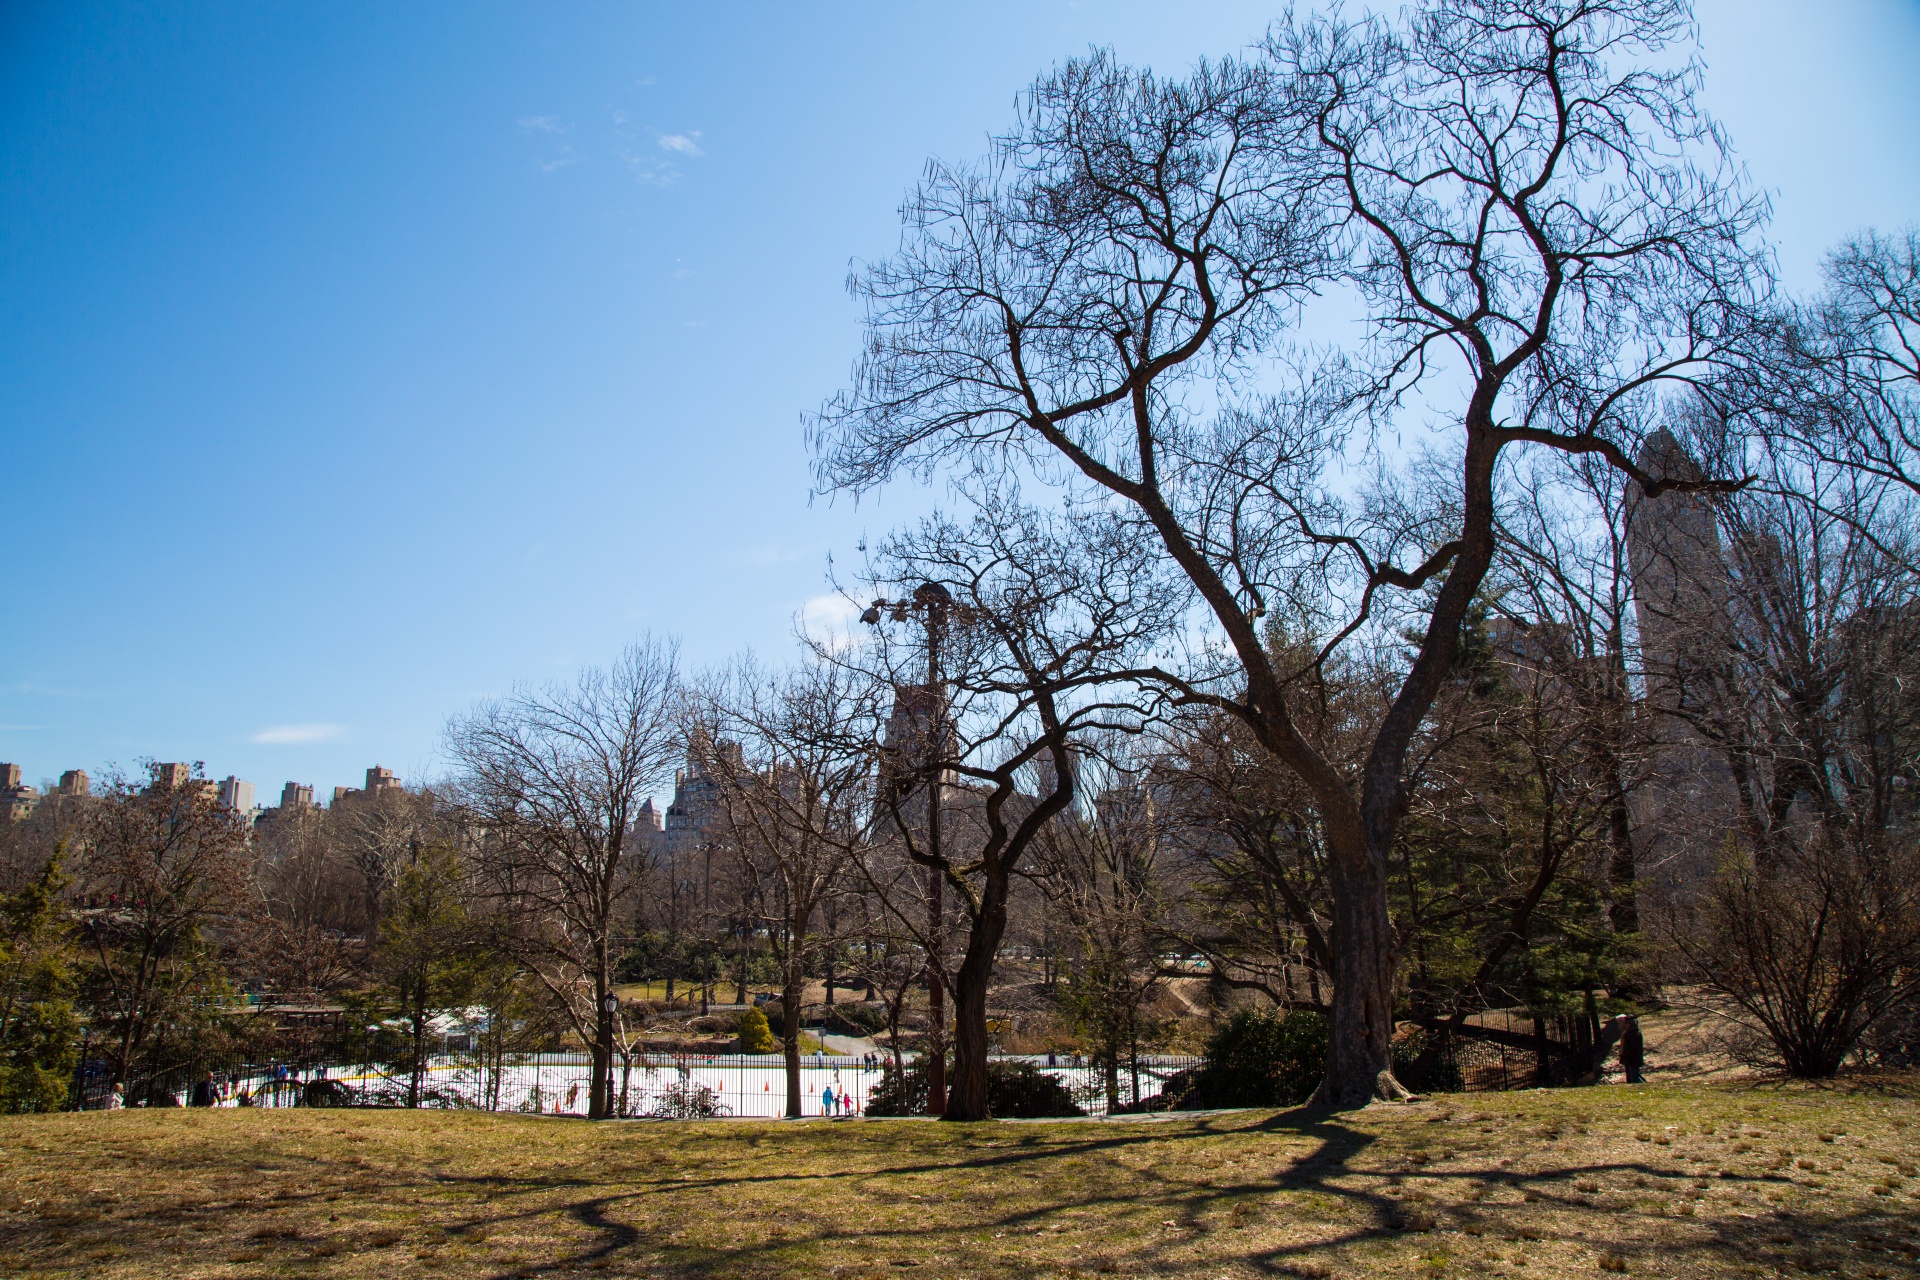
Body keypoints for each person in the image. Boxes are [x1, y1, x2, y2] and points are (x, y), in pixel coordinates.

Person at [1619, 1015, 1646, 1084]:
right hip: (1630, 1058)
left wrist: (1626, 1054)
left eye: (1627, 1024)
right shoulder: (1629, 1033)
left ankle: (1642, 1086)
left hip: (1633, 1058)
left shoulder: (1634, 1034)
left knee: (1634, 1077)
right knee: (1633, 1075)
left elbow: (1633, 1048)